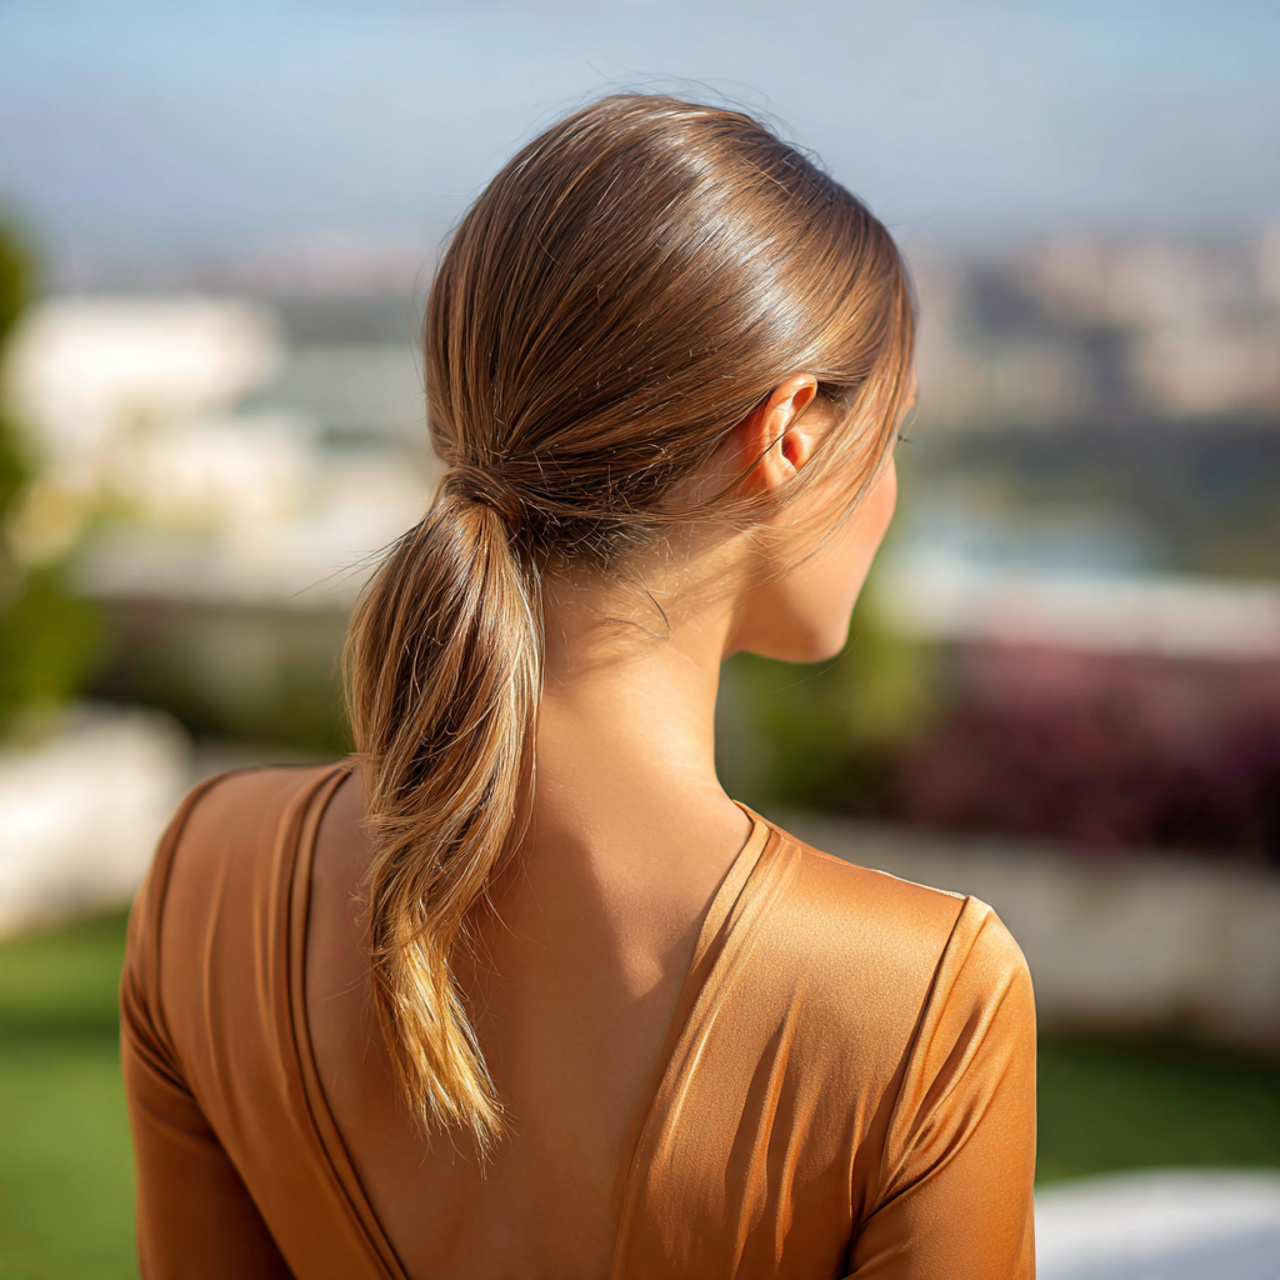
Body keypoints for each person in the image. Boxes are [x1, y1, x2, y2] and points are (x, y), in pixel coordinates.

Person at [121, 94, 1036, 1279]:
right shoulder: (916, 999)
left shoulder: (205, 872)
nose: (888, 491)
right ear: (791, 430)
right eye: (891, 440)